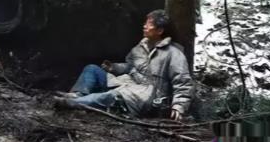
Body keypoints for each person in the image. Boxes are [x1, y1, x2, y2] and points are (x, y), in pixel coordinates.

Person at [55, 10, 194, 121]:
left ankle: (72, 104)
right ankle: (78, 95)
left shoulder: (173, 53)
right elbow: (129, 66)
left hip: (146, 96)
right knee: (92, 69)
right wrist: (114, 68)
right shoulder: (139, 48)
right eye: (145, 23)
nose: (144, 26)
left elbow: (182, 81)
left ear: (160, 31)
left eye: (149, 24)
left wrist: (179, 106)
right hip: (126, 84)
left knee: (110, 96)